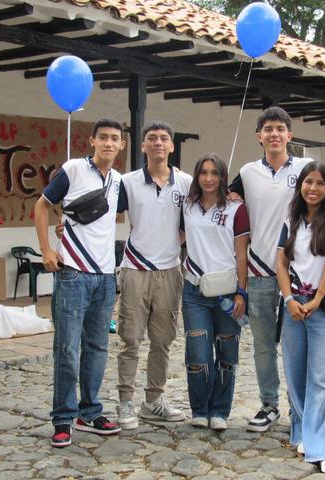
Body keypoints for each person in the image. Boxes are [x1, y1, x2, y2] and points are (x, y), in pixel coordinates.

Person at [34, 118, 125, 448]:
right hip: (72, 272)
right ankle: (62, 418)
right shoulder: (73, 169)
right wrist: (46, 249)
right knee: (67, 348)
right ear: (92, 141)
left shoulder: (118, 181)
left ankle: (89, 411)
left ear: (122, 145)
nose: (109, 143)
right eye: (103, 138)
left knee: (97, 347)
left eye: (114, 139)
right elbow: (41, 206)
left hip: (105, 276)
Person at [229, 106, 313, 432]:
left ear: (289, 135)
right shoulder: (248, 172)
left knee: (295, 345)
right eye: (268, 129)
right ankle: (269, 404)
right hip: (260, 270)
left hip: (297, 272)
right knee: (263, 345)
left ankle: (299, 408)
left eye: (280, 129)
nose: (274, 134)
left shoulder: (306, 168)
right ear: (259, 136)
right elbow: (224, 195)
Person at [116, 121, 192, 428]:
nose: (158, 142)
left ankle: (153, 401)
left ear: (171, 146)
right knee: (130, 339)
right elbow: (103, 214)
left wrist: (173, 243)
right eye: (152, 138)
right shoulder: (127, 182)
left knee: (163, 340)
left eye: (163, 138)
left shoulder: (186, 183)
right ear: (143, 146)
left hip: (170, 271)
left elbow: (194, 221)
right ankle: (125, 402)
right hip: (135, 269)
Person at [277, 161, 325, 474]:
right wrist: (289, 299)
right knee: (295, 373)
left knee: (323, 377)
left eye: (320, 183)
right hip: (294, 305)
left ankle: (323, 445)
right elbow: (281, 263)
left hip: (324, 307)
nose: (313, 188)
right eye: (308, 182)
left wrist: (318, 298)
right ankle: (303, 431)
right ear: (300, 185)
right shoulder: (291, 219)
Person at [181, 153, 250, 431]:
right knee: (198, 353)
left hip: (227, 293)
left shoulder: (236, 208)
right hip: (194, 290)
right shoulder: (187, 206)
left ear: (223, 177)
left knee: (227, 353)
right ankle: (200, 409)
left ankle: (220, 410)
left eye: (215, 173)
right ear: (197, 176)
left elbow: (242, 254)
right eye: (203, 172)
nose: (209, 178)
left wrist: (241, 292)